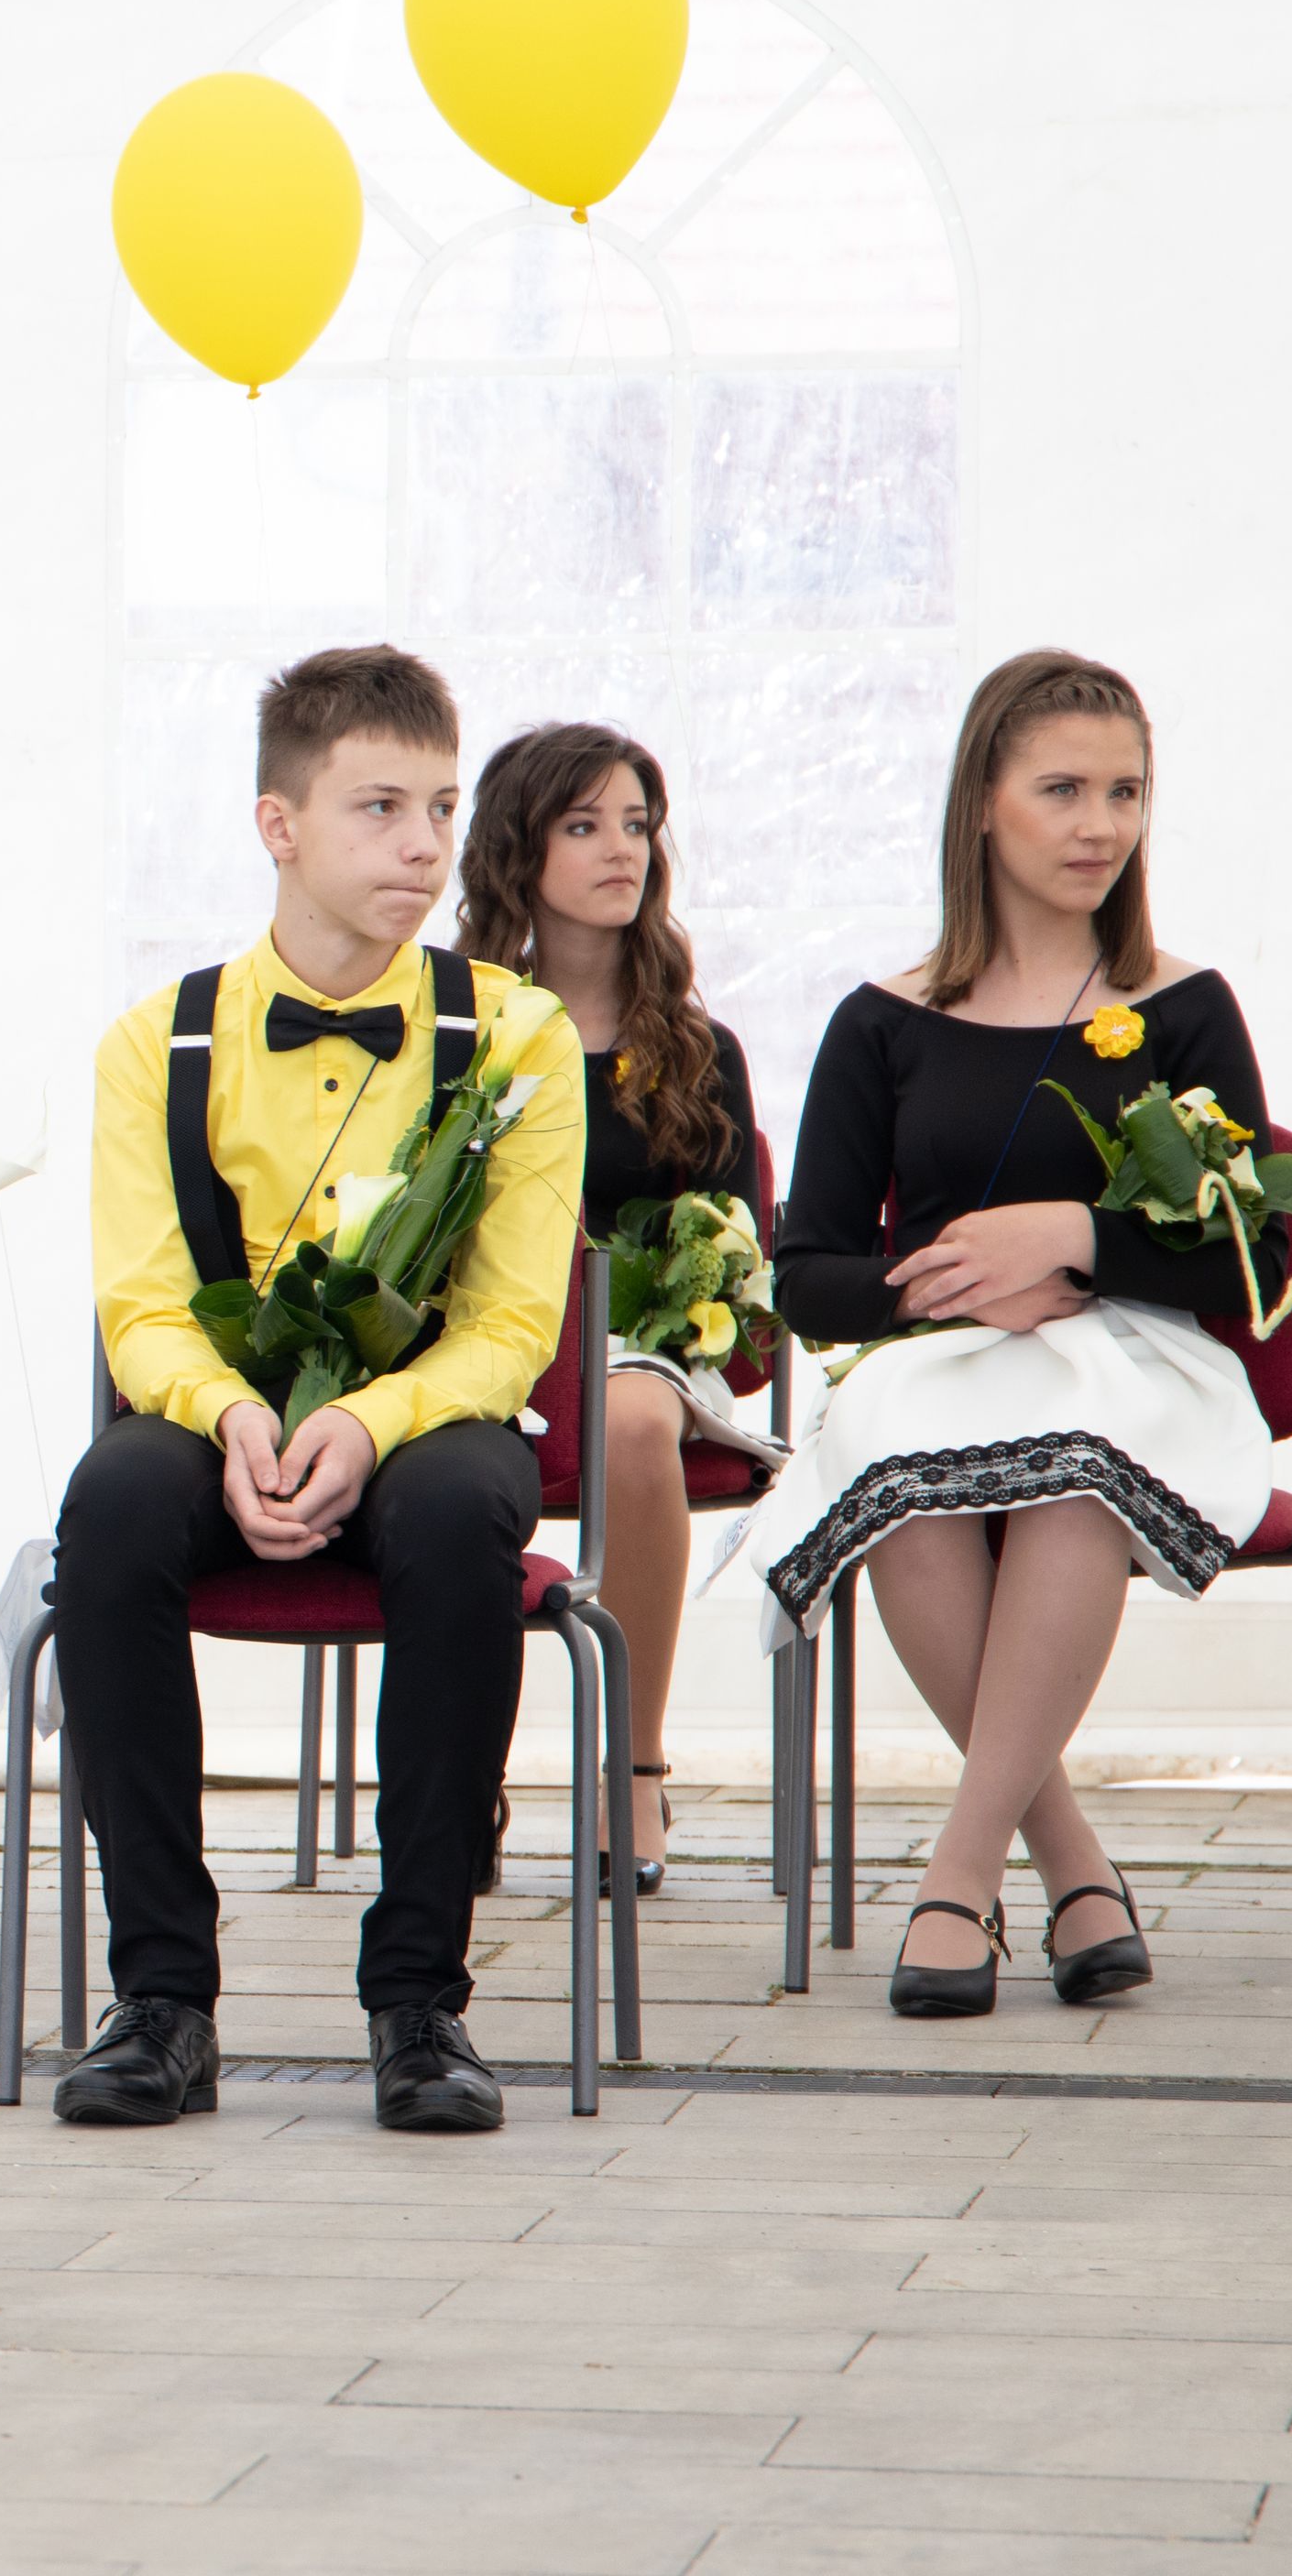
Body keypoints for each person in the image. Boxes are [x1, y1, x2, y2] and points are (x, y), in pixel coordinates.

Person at [48, 644, 586, 2133]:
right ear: (275, 825)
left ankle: (418, 1998)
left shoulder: (517, 1038)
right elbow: (143, 1306)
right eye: (377, 808)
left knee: (455, 1512)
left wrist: (361, 1418)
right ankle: (160, 1997)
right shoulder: (153, 1043)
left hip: (427, 1421)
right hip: (214, 1419)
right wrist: (233, 1417)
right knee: (109, 1504)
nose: (422, 845)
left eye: (439, 807)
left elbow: (510, 1324)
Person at [740, 650, 1273, 2017]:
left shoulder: (1183, 1007)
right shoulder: (881, 1022)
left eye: (1123, 792)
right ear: (982, 800)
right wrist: (951, 1287)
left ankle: (957, 1875)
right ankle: (1071, 1862)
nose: (1100, 825)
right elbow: (804, 1277)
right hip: (944, 1364)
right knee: (905, 1473)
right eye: (1061, 791)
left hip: (1132, 1364)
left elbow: (1253, 1261)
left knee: (1067, 1478)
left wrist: (1074, 1236)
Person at [454, 723, 764, 1896]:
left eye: (634, 825)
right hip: (489, 1345)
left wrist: (662, 1310)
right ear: (516, 851)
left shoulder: (697, 1049)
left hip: (648, 1349)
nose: (619, 849)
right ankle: (458, 1775)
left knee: (630, 1416)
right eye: (582, 826)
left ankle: (628, 1767)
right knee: (447, 1448)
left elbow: (733, 1251)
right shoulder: (459, 1031)